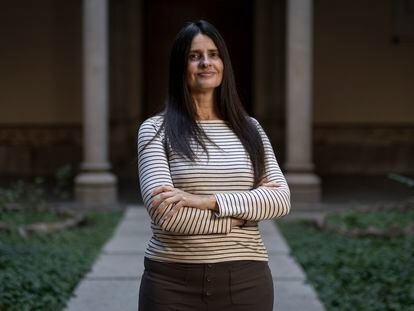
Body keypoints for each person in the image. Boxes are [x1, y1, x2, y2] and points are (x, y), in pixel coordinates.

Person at [137, 20, 291, 311]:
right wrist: (242, 216)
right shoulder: (155, 130)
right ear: (179, 67)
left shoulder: (251, 129)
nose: (206, 62)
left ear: (223, 63)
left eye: (214, 54)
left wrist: (205, 201)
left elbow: (281, 200)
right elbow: (168, 217)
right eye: (194, 56)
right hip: (171, 283)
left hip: (246, 281)